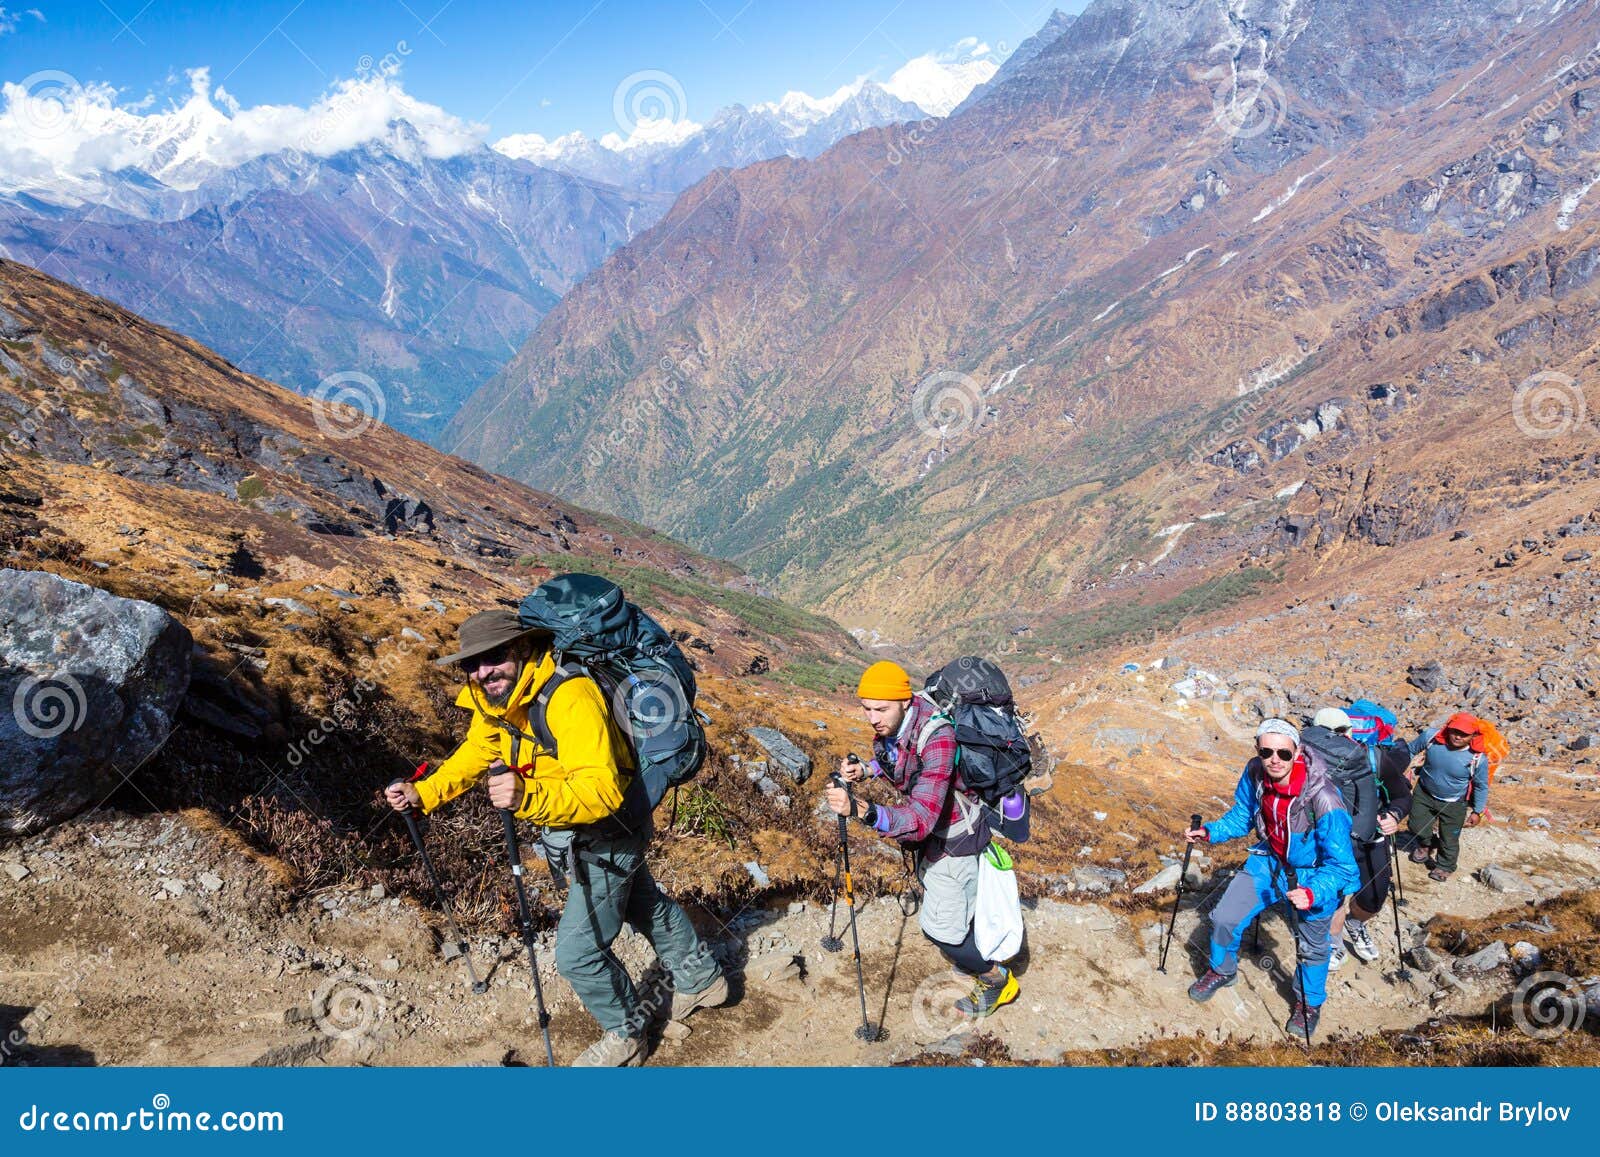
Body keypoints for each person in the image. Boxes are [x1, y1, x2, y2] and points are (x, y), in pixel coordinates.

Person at [384, 610, 726, 1066]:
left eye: (493, 658)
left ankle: (627, 1036)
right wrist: (425, 792)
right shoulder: (498, 700)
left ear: (523, 649)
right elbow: (479, 749)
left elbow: (600, 791)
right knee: (643, 901)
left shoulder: (570, 697)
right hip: (583, 828)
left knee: (577, 953)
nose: (482, 672)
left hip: (607, 831)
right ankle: (705, 981)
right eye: (471, 663)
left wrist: (527, 795)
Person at [825, 660, 1019, 1019]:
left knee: (940, 931)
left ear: (904, 700)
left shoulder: (939, 737)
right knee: (955, 908)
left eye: (880, 709)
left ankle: (997, 980)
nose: (872, 718)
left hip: (954, 842)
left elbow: (920, 821)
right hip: (939, 842)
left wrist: (863, 810)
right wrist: (866, 769)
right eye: (866, 708)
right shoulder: (903, 723)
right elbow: (901, 758)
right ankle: (973, 955)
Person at [1184, 719, 1358, 1040]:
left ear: (1297, 752)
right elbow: (1242, 816)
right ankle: (1222, 970)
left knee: (1312, 947)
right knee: (1224, 918)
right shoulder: (1255, 773)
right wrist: (1210, 831)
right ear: (1258, 751)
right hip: (1268, 862)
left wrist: (1313, 891)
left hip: (1314, 874)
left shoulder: (1325, 799)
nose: (1274, 758)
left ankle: (1308, 1003)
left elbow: (1344, 867)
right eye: (1266, 751)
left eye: (1283, 752)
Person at [1312, 708, 1413, 968]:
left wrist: (1394, 814)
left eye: (1339, 734)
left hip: (1371, 836)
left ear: (1350, 733)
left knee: (1374, 897)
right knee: (1334, 895)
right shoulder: (1306, 759)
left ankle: (1355, 922)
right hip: (1328, 840)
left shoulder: (1374, 757)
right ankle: (1332, 944)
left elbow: (1402, 794)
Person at [1405, 712, 1489, 881]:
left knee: (1449, 837)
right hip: (1424, 793)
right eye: (1454, 731)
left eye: (1464, 734)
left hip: (1454, 803)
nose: (1458, 737)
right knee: (1415, 825)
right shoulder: (1431, 738)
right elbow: (1409, 750)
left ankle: (1445, 866)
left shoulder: (1477, 758)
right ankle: (1426, 844)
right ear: (1448, 728)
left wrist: (1477, 811)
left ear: (1473, 736)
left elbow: (1481, 786)